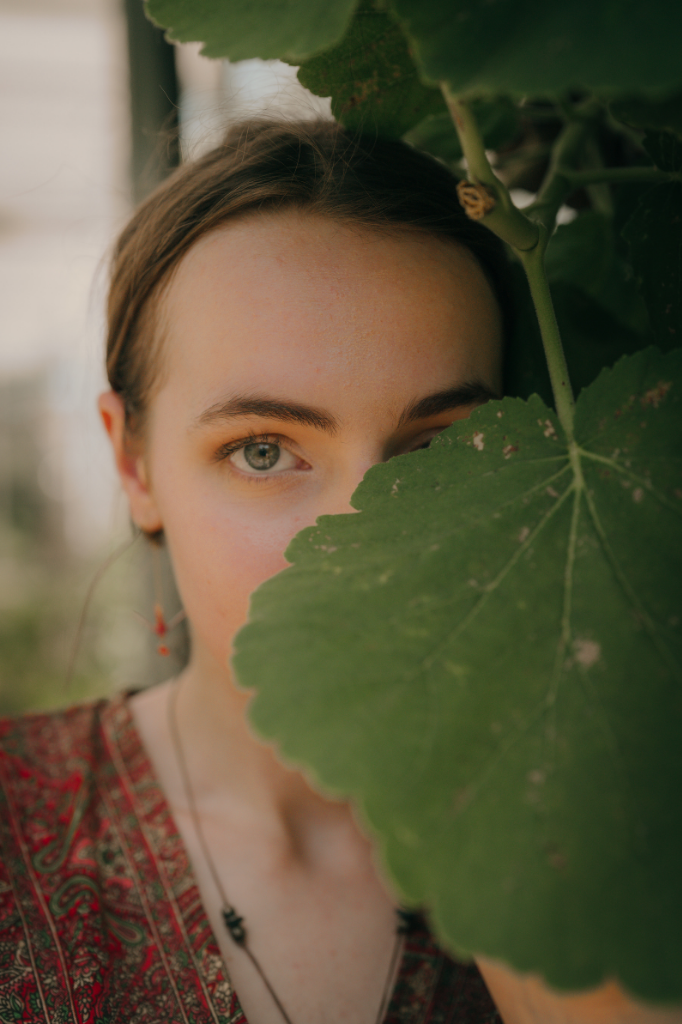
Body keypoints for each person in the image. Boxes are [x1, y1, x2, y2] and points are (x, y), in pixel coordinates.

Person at [1, 120, 676, 1024]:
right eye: (264, 451)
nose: (368, 542)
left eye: (436, 448)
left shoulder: (616, 830)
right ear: (133, 463)